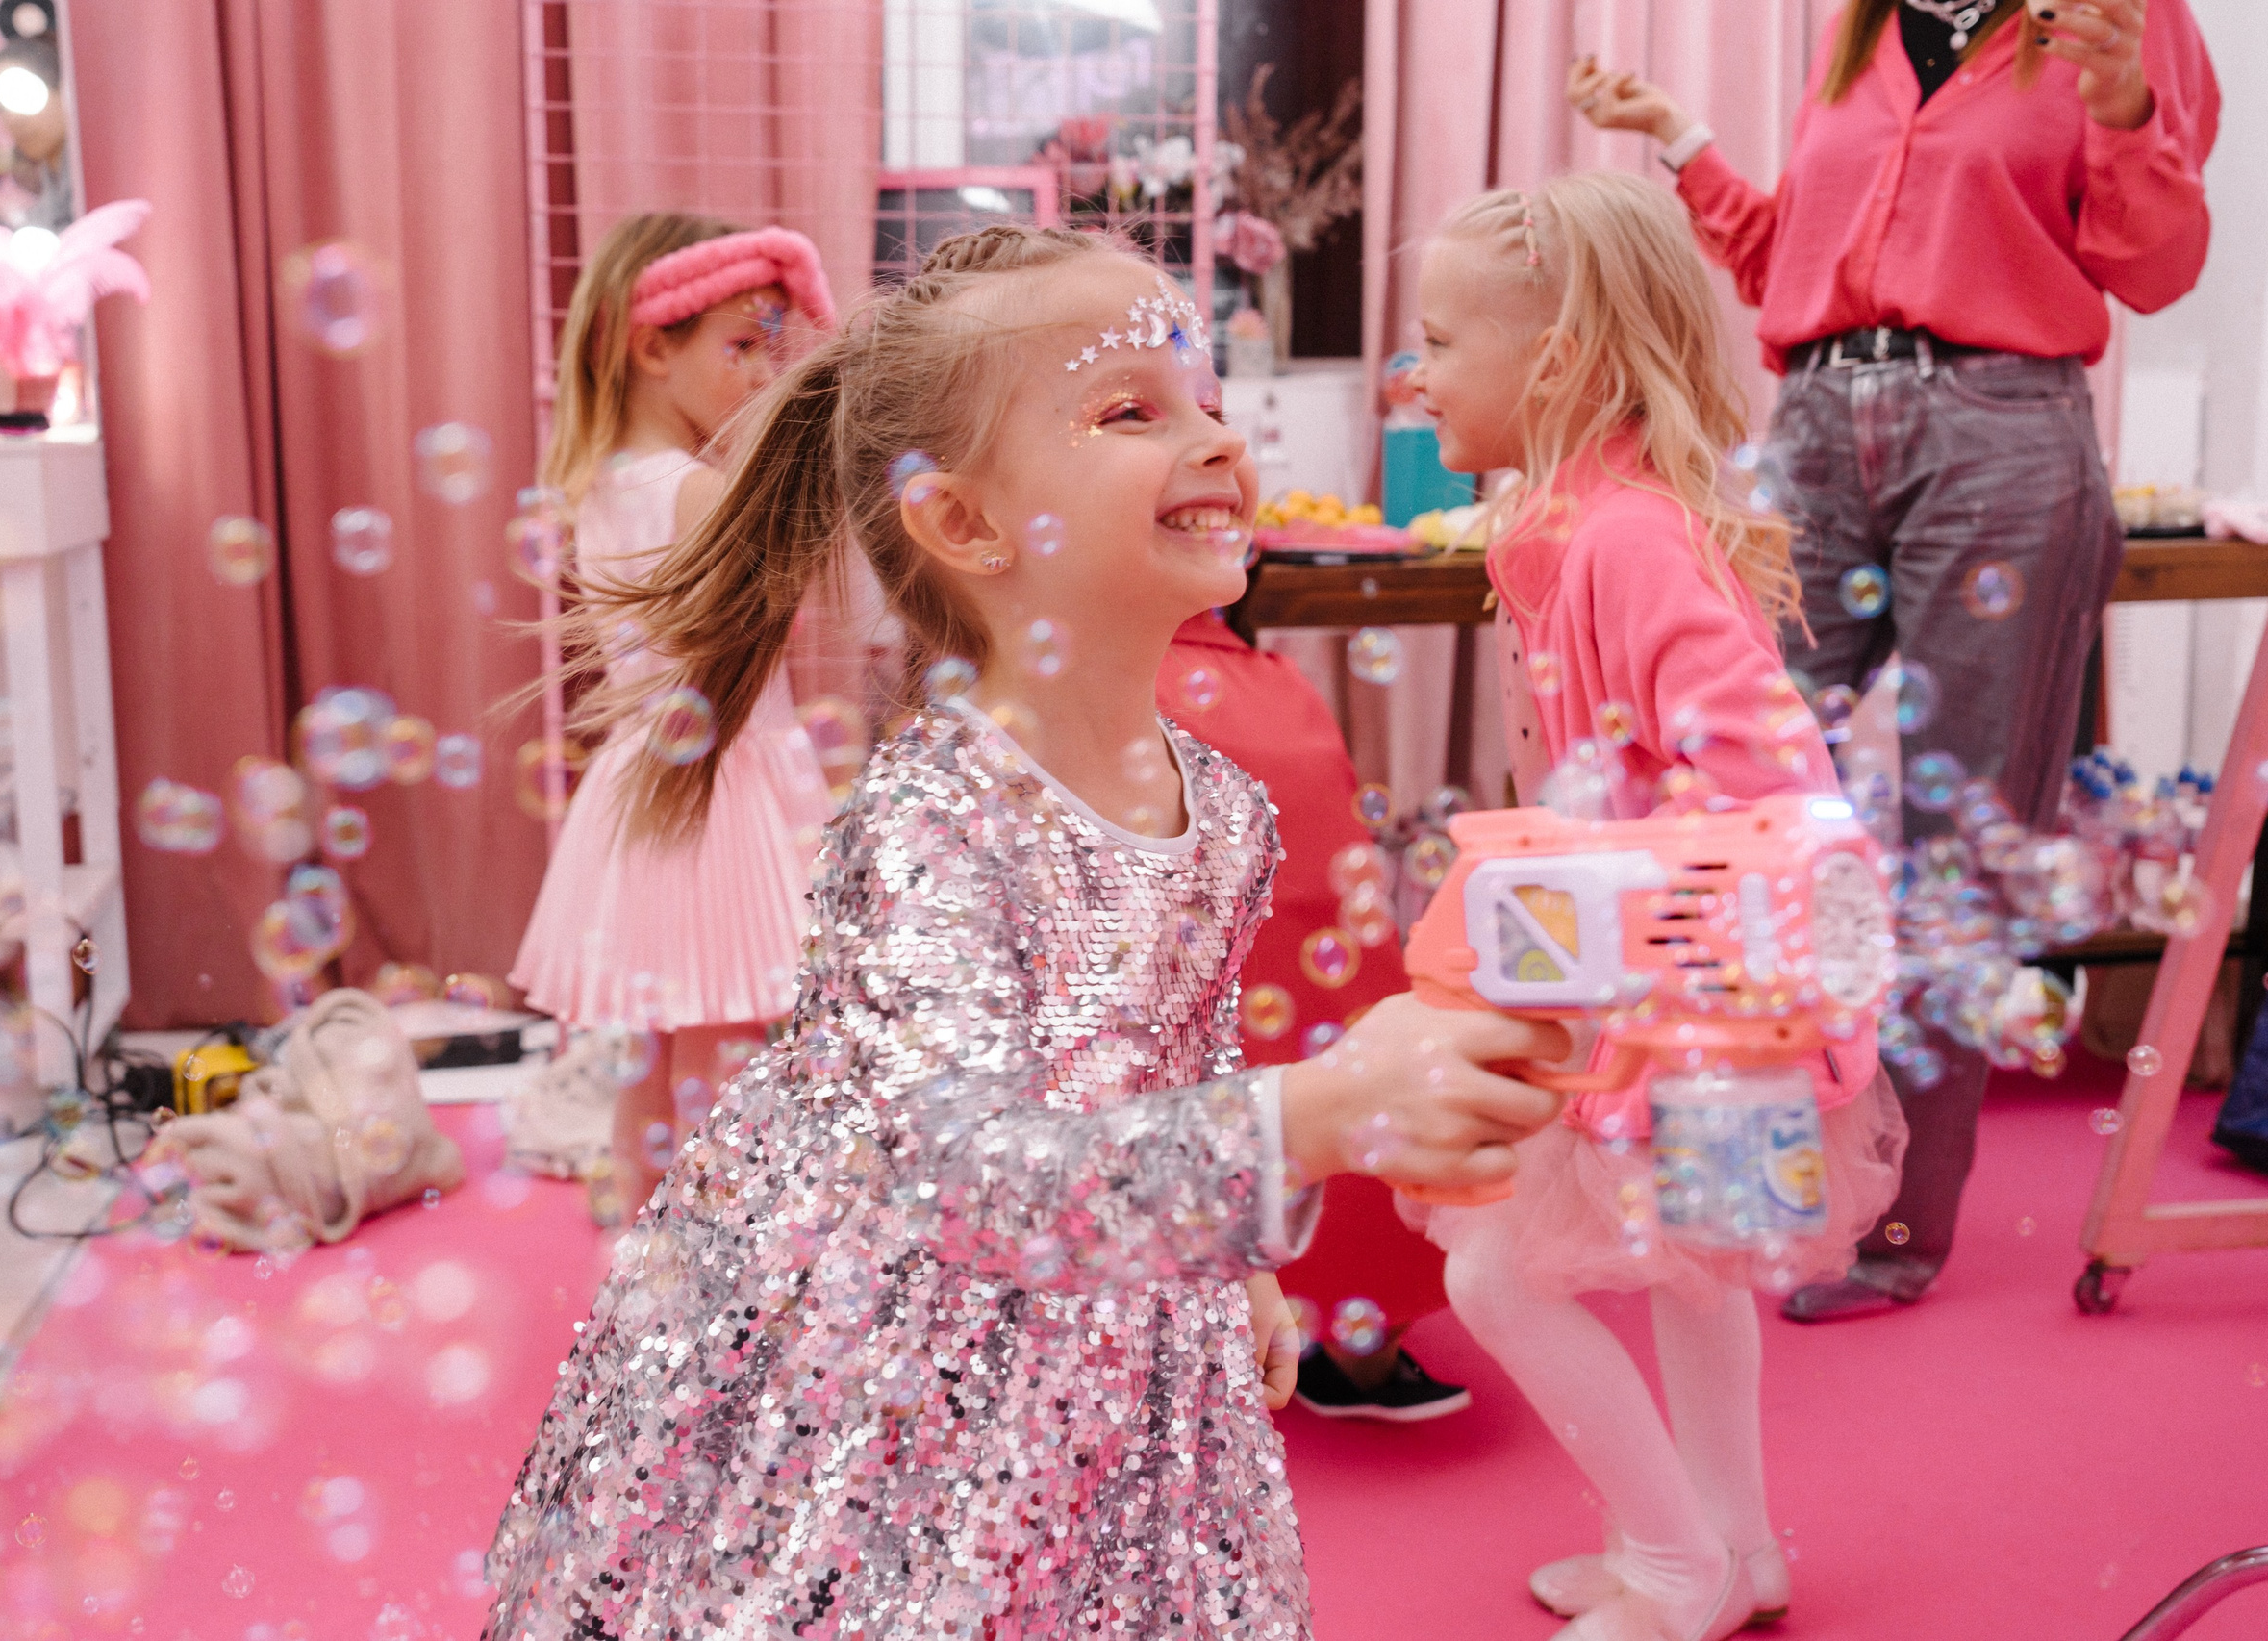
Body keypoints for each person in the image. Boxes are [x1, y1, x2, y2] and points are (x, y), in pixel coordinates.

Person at [482, 224, 1571, 1635]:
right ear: (965, 522)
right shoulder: (937, 813)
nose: (1212, 443)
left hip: (1127, 1326)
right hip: (898, 1371)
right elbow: (963, 1170)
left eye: (1206, 405)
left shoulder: (1225, 810)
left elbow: (1168, 1063)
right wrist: (1305, 1116)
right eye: (1130, 411)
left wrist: (1228, 1258)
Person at [1570, 0, 2217, 1319]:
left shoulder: (2123, 19)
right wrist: (1684, 142)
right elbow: (1788, 261)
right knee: (1727, 806)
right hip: (1814, 419)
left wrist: (2125, 109)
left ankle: (1896, 1222)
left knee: (1961, 837)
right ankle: (1709, 1175)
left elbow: (2154, 264)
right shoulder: (1864, 25)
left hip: (2003, 432)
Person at [1408, 173, 1906, 1640]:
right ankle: (1737, 1550)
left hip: (1683, 992)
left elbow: (1763, 774)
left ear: (1555, 359)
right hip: (1667, 980)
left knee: (1494, 1268)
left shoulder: (1624, 536)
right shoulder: (1575, 526)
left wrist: (1599, 892)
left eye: (1440, 340)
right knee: (1695, 1270)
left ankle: (1677, 1563)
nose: (1415, 371)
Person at [507, 214, 842, 1213]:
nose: (755, 373)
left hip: (648, 785)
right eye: (739, 346)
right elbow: (767, 630)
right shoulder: (695, 492)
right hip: (723, 790)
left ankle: (637, 1256)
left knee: (643, 1056)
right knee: (722, 1047)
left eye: (769, 348)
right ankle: (719, 1259)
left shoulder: (601, 484)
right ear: (653, 346)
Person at [1158, 613, 1469, 1421]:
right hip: (1215, 677)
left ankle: (1327, 1316)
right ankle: (1353, 1326)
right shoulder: (1269, 677)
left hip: (1175, 670)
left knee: (1302, 1005)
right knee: (1322, 1005)